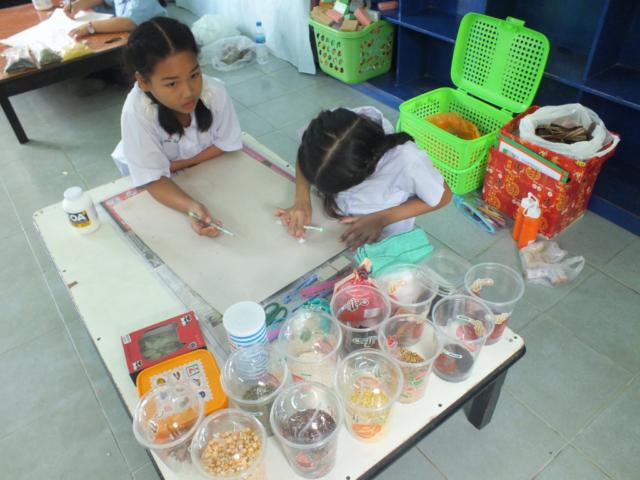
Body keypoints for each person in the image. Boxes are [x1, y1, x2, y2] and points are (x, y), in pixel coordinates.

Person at [111, 17, 242, 237]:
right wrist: (191, 206)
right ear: (143, 82)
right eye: (172, 83)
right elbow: (152, 178)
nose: (189, 92)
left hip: (195, 171)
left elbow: (226, 144)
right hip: (155, 181)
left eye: (194, 75)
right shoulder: (137, 112)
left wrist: (175, 165)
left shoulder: (214, 93)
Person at [276, 107, 452, 248]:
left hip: (383, 236)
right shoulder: (331, 130)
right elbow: (304, 153)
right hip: (337, 226)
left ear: (365, 172)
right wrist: (302, 199)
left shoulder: (407, 160)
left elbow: (443, 196)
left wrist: (382, 219)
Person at [64, 0, 167, 38]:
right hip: (126, 38)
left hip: (151, 46)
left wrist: (90, 27)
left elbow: (127, 22)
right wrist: (79, 4)